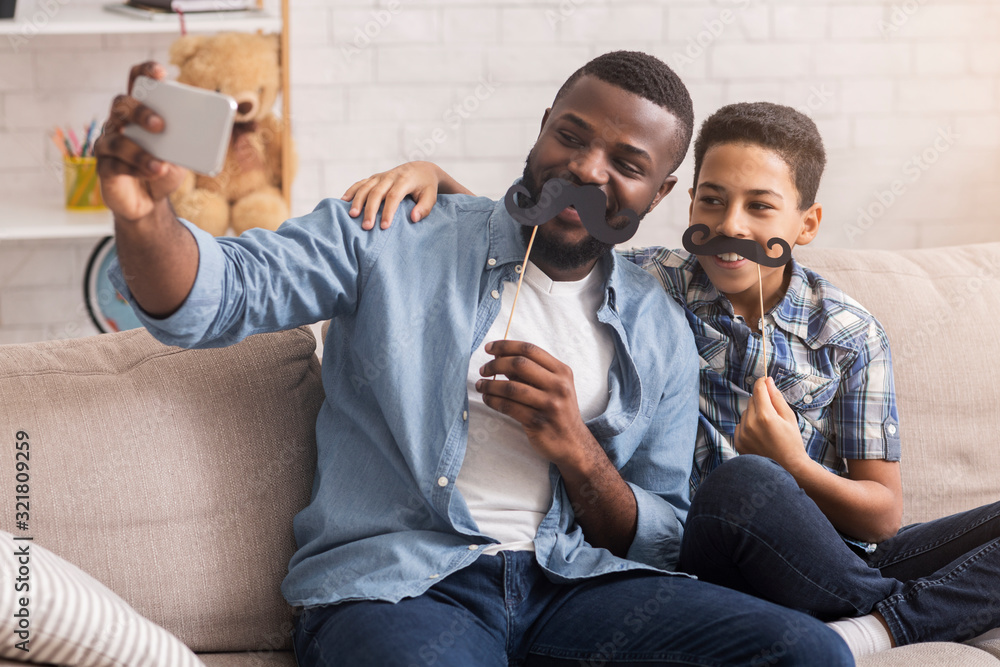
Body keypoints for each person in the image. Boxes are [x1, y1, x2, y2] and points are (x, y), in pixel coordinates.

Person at [94, 52, 851, 666]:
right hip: (404, 590)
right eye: (571, 135)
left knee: (810, 652)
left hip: (574, 590)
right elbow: (219, 297)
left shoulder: (658, 326)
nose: (587, 170)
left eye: (625, 162)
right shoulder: (395, 229)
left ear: (660, 192)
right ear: (541, 129)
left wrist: (576, 449)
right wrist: (144, 215)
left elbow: (661, 533)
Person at [347, 101, 1000, 659]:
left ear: (805, 224)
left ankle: (879, 623)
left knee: (781, 484)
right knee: (745, 479)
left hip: (840, 566)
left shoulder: (849, 334)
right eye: (712, 200)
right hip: (710, 552)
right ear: (686, 201)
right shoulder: (645, 285)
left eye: (760, 206)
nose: (730, 226)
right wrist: (435, 175)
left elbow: (882, 516)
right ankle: (923, 611)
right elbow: (538, 237)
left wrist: (796, 466)